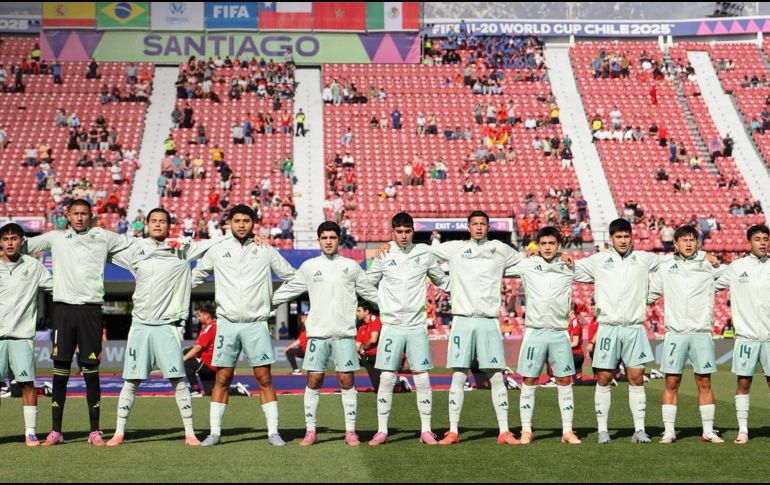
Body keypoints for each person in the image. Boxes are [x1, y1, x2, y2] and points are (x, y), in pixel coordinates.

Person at [378, 211, 524, 445]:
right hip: (462, 320)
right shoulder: (454, 248)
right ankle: (453, 431)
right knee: (458, 375)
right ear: (468, 226)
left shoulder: (501, 249)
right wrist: (389, 245)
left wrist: (537, 249)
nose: (478, 227)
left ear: (488, 227)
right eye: (474, 224)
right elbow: (418, 249)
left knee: (497, 376)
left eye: (482, 224)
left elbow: (527, 262)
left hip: (489, 320)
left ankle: (504, 431)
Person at [105, 208, 224, 447]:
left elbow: (215, 243)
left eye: (163, 221)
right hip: (139, 326)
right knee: (131, 381)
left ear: (169, 226)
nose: (158, 225)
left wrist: (249, 238)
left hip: (167, 327)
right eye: (154, 221)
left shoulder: (181, 250)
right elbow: (103, 252)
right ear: (146, 224)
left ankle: (190, 432)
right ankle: (119, 432)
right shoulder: (135, 250)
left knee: (179, 380)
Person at [24, 199, 131, 447]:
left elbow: (133, 245)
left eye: (84, 213)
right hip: (62, 311)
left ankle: (94, 431)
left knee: (91, 373)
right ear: (67, 215)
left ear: (91, 216)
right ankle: (55, 431)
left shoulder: (102, 236)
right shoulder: (55, 238)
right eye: (76, 214)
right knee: (60, 372)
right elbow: (21, 245)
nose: (80, 218)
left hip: (91, 311)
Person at [192, 205, 296, 447]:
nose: (241, 224)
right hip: (227, 324)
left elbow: (292, 276)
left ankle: (273, 432)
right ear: (229, 222)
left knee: (264, 378)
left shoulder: (265, 249)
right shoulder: (217, 249)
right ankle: (214, 433)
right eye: (236, 220)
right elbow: (196, 276)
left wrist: (273, 300)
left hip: (256, 324)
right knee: (222, 378)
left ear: (253, 223)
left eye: (246, 220)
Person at [272, 221, 379, 447]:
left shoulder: (351, 266)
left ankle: (350, 431)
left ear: (339, 239)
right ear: (319, 240)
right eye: (324, 237)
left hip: (344, 334)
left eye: (332, 237)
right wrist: (266, 304)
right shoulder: (310, 266)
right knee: (314, 379)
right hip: (318, 335)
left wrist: (393, 310)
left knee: (346, 380)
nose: (328, 241)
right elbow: (290, 289)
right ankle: (311, 431)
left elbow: (370, 292)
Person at [573, 218, 663, 444]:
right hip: (608, 328)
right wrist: (558, 259)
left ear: (631, 236)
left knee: (636, 378)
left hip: (634, 328)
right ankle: (603, 430)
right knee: (603, 378)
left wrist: (646, 298)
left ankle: (639, 430)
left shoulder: (643, 258)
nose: (623, 240)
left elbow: (672, 263)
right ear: (611, 239)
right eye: (618, 237)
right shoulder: (599, 260)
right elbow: (571, 267)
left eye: (626, 236)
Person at [366, 212, 449, 446]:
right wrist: (382, 302)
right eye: (399, 232)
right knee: (387, 377)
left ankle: (426, 430)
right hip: (391, 326)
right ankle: (382, 430)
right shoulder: (382, 255)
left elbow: (442, 280)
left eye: (407, 231)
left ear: (413, 231)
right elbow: (367, 284)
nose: (403, 236)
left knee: (422, 378)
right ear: (392, 232)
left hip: (416, 326)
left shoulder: (424, 253)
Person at [648, 225, 725, 444]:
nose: (689, 244)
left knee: (704, 382)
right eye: (684, 240)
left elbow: (734, 276)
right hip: (675, 334)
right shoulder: (666, 267)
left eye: (693, 240)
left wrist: (706, 257)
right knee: (671, 381)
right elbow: (650, 294)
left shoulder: (708, 265)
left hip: (701, 333)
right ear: (676, 244)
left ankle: (708, 431)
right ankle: (669, 431)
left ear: (698, 244)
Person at [505, 227, 582, 444]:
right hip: (535, 332)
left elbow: (596, 271)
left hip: (559, 333)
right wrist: (524, 256)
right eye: (544, 243)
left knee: (564, 380)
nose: (547, 247)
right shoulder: (527, 265)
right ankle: (526, 430)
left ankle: (567, 431)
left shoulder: (569, 267)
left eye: (552, 243)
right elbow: (500, 266)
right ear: (538, 246)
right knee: (529, 380)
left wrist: (570, 259)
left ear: (559, 245)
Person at [715, 224, 770, 445]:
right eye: (758, 239)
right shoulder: (736, 267)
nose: (763, 242)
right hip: (746, 337)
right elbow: (710, 284)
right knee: (744, 382)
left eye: (765, 238)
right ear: (749, 243)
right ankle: (743, 430)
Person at [0, 223, 53, 446]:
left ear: (22, 241)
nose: (10, 242)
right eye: (5, 239)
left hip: (22, 337)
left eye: (14, 238)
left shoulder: (34, 265)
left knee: (27, 384)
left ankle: (30, 432)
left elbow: (54, 287)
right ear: (0, 242)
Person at [183, 305, 219, 396]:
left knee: (187, 361)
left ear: (207, 316)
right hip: (211, 363)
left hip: (208, 363)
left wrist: (182, 360)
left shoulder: (210, 327)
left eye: (199, 315)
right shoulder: (213, 326)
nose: (198, 318)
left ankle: (195, 389)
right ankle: (238, 390)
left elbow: (198, 348)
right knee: (211, 392)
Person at [355, 302, 382, 392]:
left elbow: (373, 340)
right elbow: (357, 345)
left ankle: (403, 385)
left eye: (359, 311)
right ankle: (349, 388)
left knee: (381, 389)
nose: (356, 313)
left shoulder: (375, 319)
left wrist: (363, 348)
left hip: (379, 356)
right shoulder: (361, 326)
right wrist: (356, 352)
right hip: (367, 357)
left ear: (366, 312)